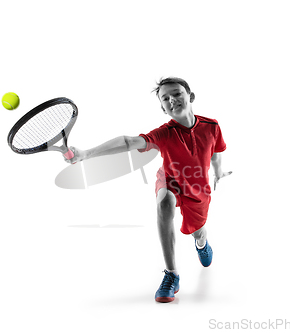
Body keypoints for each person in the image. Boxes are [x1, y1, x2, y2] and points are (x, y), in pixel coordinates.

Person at [66, 77, 231, 303]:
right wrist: (86, 154)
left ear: (190, 96)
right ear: (163, 108)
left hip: (198, 187)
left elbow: (216, 151)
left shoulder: (212, 126)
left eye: (176, 93)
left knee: (198, 231)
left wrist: (219, 172)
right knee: (164, 204)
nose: (172, 99)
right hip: (170, 179)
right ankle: (172, 275)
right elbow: (128, 142)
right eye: (165, 98)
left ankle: (201, 242)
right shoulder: (164, 133)